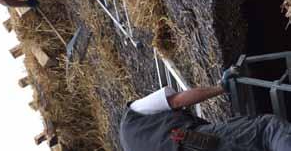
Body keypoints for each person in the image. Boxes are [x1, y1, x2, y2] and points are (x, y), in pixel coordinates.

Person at [120, 67, 291, 150]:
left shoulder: (133, 146)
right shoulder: (134, 112)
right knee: (268, 130)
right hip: (194, 143)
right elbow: (178, 101)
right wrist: (221, 88)